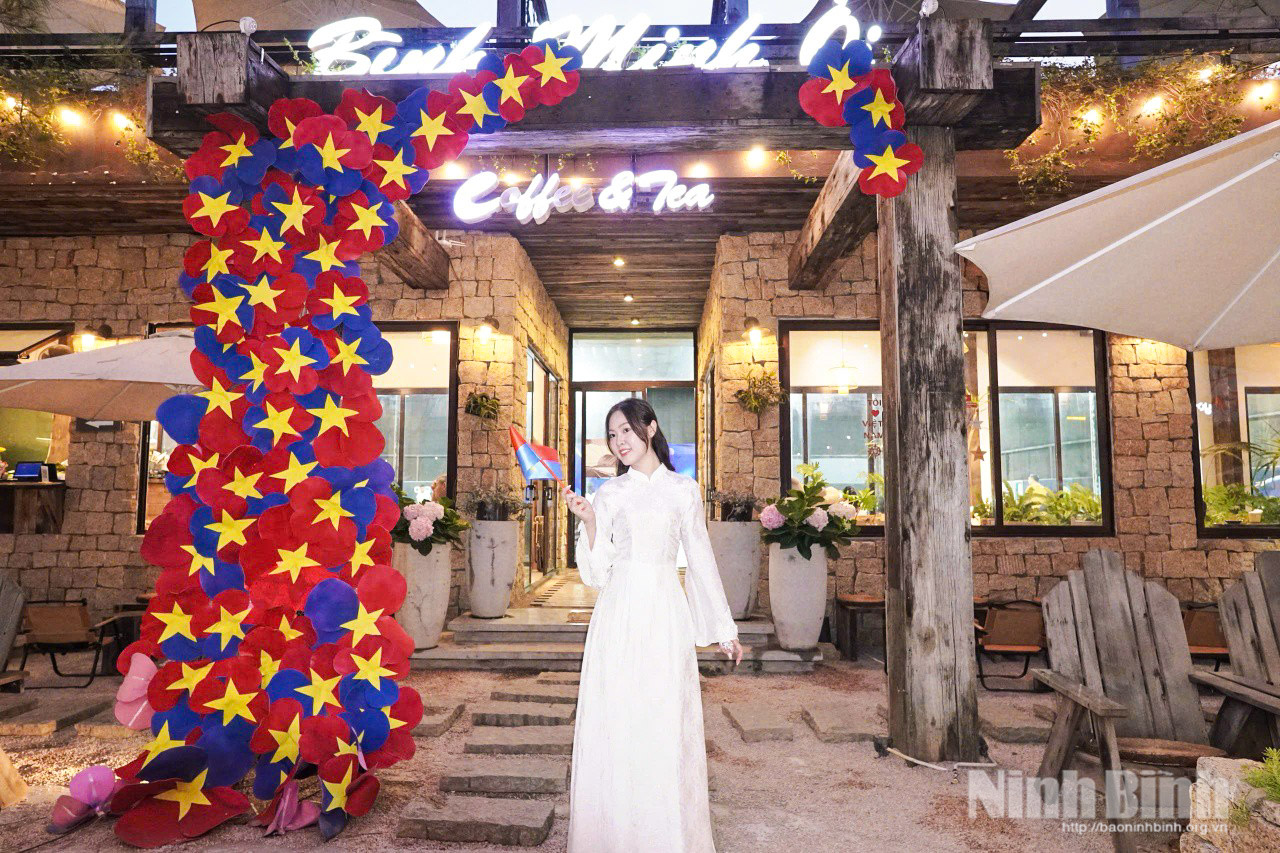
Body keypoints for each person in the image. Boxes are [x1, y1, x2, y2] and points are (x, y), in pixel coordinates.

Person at [561, 397, 747, 853]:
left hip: (665, 609)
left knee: (664, 716)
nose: (618, 442)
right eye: (612, 434)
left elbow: (700, 556)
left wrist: (724, 627)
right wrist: (589, 521)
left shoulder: (683, 490)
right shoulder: (610, 494)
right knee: (619, 716)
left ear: (650, 427)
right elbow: (596, 573)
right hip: (619, 610)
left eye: (625, 430)